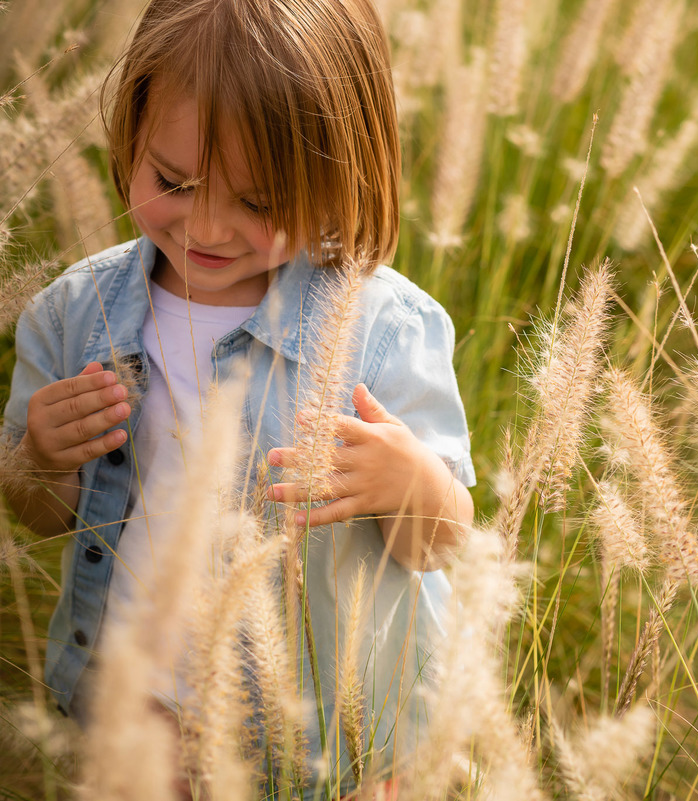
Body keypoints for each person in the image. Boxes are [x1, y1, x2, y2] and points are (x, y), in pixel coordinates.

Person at [1, 0, 475, 795]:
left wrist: (412, 485)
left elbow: (445, 540)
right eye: (173, 182)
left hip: (324, 724)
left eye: (259, 202)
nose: (206, 227)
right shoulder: (74, 314)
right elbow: (42, 513)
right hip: (137, 707)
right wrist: (39, 460)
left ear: (337, 172)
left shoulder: (381, 331)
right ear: (130, 134)